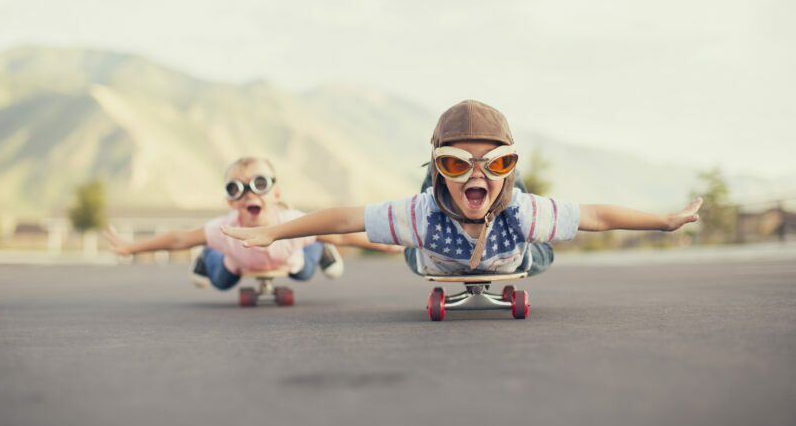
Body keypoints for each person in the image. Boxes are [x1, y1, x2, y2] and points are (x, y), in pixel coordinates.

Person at [219, 100, 703, 278]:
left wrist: (664, 221)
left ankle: (495, 178)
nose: (476, 173)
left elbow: (597, 216)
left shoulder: (525, 215)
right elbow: (343, 217)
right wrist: (274, 234)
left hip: (512, 251)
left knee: (536, 245)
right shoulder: (418, 215)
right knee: (419, 228)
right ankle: (452, 176)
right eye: (455, 161)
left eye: (496, 162)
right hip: (432, 252)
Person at [103, 156, 399, 290]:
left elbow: (344, 236)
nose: (248, 194)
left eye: (259, 184)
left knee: (305, 269)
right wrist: (133, 247)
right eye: (236, 188)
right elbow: (180, 239)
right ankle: (206, 259)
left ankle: (318, 252)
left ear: (276, 194)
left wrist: (386, 244)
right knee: (220, 281)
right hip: (237, 264)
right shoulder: (226, 229)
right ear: (231, 201)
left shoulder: (292, 223)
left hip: (291, 258)